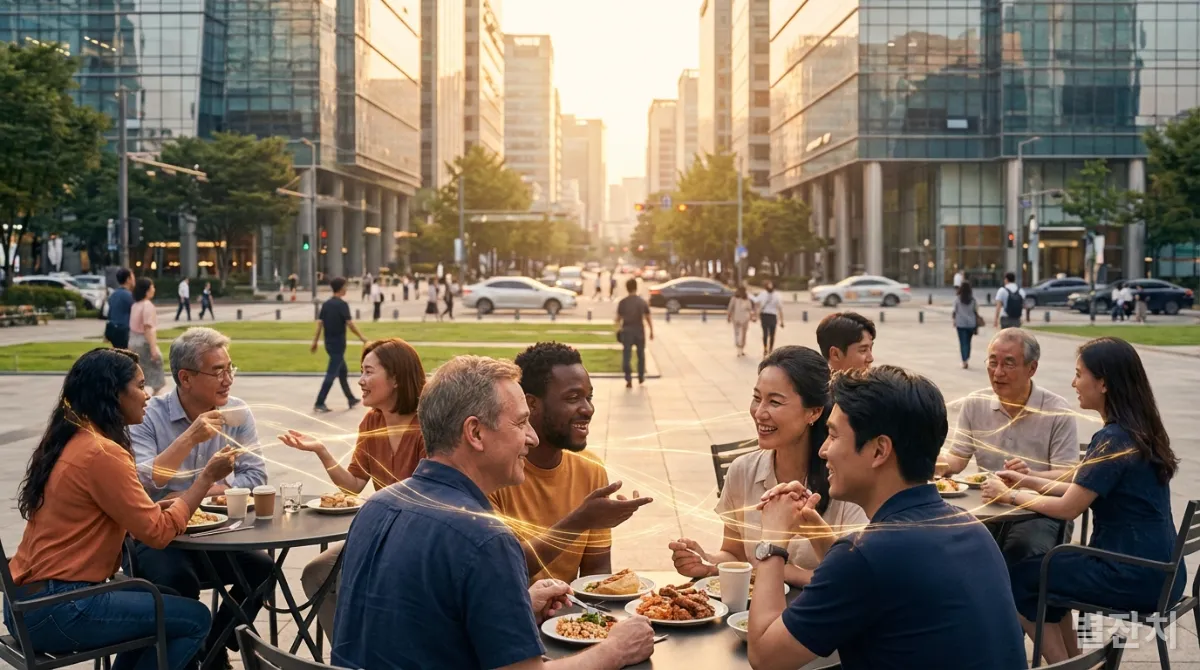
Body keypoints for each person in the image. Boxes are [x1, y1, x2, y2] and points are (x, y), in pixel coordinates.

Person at [332, 355, 655, 669]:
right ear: (475, 433)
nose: (532, 437)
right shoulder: (484, 538)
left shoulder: (377, 506)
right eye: (521, 422)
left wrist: (517, 608)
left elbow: (417, 628)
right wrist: (616, 650)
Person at [745, 366, 1027, 670]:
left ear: (879, 450)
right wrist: (816, 529)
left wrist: (772, 542)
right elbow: (870, 580)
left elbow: (765, 656)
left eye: (834, 435)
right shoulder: (969, 526)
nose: (824, 450)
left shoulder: (865, 556)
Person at [5, 349, 233, 670]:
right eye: (140, 386)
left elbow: (115, 510)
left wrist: (158, 506)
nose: (148, 397)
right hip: (60, 608)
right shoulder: (102, 452)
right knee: (194, 618)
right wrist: (207, 476)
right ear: (114, 394)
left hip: (26, 604)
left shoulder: (73, 438)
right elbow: (158, 533)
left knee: (166, 599)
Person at [984, 337, 1185, 665]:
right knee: (1047, 572)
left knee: (1016, 579)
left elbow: (1070, 507)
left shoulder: (1113, 439)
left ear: (1103, 383)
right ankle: (1075, 661)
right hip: (1163, 574)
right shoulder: (1137, 430)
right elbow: (1082, 480)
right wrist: (1029, 479)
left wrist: (1011, 495)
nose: (1074, 383)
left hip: (1129, 574)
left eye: (1079, 374)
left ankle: (1067, 667)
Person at [129, 328, 273, 668]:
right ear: (185, 378)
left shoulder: (236, 412)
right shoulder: (148, 415)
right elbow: (140, 483)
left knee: (264, 571)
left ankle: (213, 643)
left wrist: (205, 491)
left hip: (215, 531)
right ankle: (190, 656)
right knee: (179, 580)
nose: (228, 380)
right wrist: (192, 443)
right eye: (218, 371)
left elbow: (255, 476)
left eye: (230, 368)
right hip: (159, 537)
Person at [670, 347, 868, 588]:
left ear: (814, 412)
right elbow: (735, 554)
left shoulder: (844, 482)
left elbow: (855, 578)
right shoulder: (742, 471)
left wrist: (781, 570)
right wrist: (710, 563)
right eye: (756, 398)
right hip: (751, 618)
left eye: (774, 402)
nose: (759, 413)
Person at [280, 338, 427, 642]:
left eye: (368, 372)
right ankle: (348, 656)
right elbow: (354, 483)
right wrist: (321, 450)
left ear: (396, 378)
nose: (360, 380)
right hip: (382, 535)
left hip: (419, 539)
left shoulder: (426, 424)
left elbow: (428, 496)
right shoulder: (372, 421)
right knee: (316, 574)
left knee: (358, 581)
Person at [490, 343, 652, 583]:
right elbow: (499, 569)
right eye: (573, 398)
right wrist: (579, 521)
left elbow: (595, 576)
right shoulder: (494, 473)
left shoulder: (590, 469)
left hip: (567, 617)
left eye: (589, 397)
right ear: (531, 404)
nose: (588, 409)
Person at [938, 329, 1078, 567]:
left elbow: (1068, 473)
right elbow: (957, 459)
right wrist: (928, 462)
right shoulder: (975, 404)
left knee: (1020, 550)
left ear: (1032, 369)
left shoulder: (1056, 410)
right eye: (992, 362)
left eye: (1009, 364)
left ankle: (1024, 605)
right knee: (949, 544)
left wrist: (1029, 476)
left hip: (1039, 512)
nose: (998, 372)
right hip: (987, 507)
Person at [311, 277, 368, 413]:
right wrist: (362, 338)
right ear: (341, 288)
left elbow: (320, 324)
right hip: (338, 345)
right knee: (331, 373)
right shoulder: (342, 305)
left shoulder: (326, 304)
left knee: (342, 372)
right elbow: (350, 324)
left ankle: (351, 398)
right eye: (345, 286)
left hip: (329, 344)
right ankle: (319, 402)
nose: (346, 289)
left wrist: (315, 342)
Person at [129, 278, 166, 395]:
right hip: (144, 343)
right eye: (152, 287)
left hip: (133, 342)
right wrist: (153, 348)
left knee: (140, 374)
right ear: (147, 290)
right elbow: (148, 328)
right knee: (157, 378)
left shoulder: (135, 305)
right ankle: (151, 401)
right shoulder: (147, 305)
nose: (154, 289)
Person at [615, 278, 653, 388]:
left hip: (627, 332)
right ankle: (641, 377)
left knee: (627, 356)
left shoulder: (623, 302)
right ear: (636, 287)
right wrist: (651, 331)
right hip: (639, 331)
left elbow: (618, 319)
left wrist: (618, 330)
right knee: (641, 355)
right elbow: (648, 317)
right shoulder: (642, 302)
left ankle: (628, 379)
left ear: (627, 288)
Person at [952, 280, 979, 369]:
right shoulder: (973, 300)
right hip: (971, 324)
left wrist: (954, 321)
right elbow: (975, 311)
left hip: (961, 324)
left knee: (963, 342)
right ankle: (967, 357)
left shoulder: (957, 299)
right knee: (968, 342)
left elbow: (954, 311)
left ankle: (964, 361)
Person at [106, 267, 135, 349]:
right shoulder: (129, 296)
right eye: (133, 277)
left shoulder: (113, 295)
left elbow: (110, 314)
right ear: (128, 279)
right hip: (124, 331)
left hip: (113, 330)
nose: (134, 280)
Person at [753, 280, 784, 356]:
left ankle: (770, 349)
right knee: (765, 333)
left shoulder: (777, 295)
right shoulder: (763, 294)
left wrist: (782, 320)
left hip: (773, 315)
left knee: (772, 334)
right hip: (764, 315)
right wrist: (755, 315)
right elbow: (756, 303)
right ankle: (765, 348)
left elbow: (780, 308)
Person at [727, 285, 755, 357]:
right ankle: (741, 350)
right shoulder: (746, 299)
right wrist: (752, 317)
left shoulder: (734, 298)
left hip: (736, 319)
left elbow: (730, 308)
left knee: (737, 333)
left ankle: (739, 350)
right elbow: (750, 309)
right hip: (745, 319)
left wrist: (729, 316)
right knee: (743, 335)